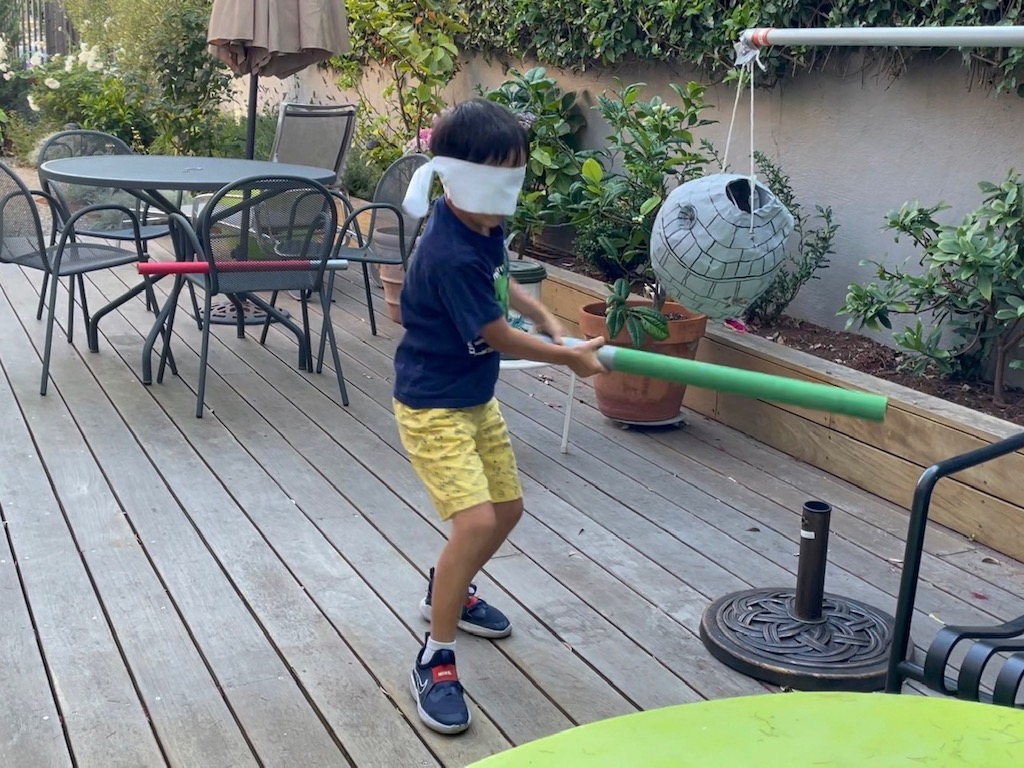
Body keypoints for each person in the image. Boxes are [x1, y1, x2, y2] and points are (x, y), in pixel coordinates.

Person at [394, 98, 607, 735]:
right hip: (432, 405)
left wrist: (545, 315)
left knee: (507, 512)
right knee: (477, 517)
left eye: (513, 180)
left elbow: (502, 279)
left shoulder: (479, 224)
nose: (504, 199)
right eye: (496, 181)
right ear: (455, 176)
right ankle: (435, 655)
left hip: (473, 396)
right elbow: (498, 334)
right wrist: (564, 357)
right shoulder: (447, 253)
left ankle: (449, 589)